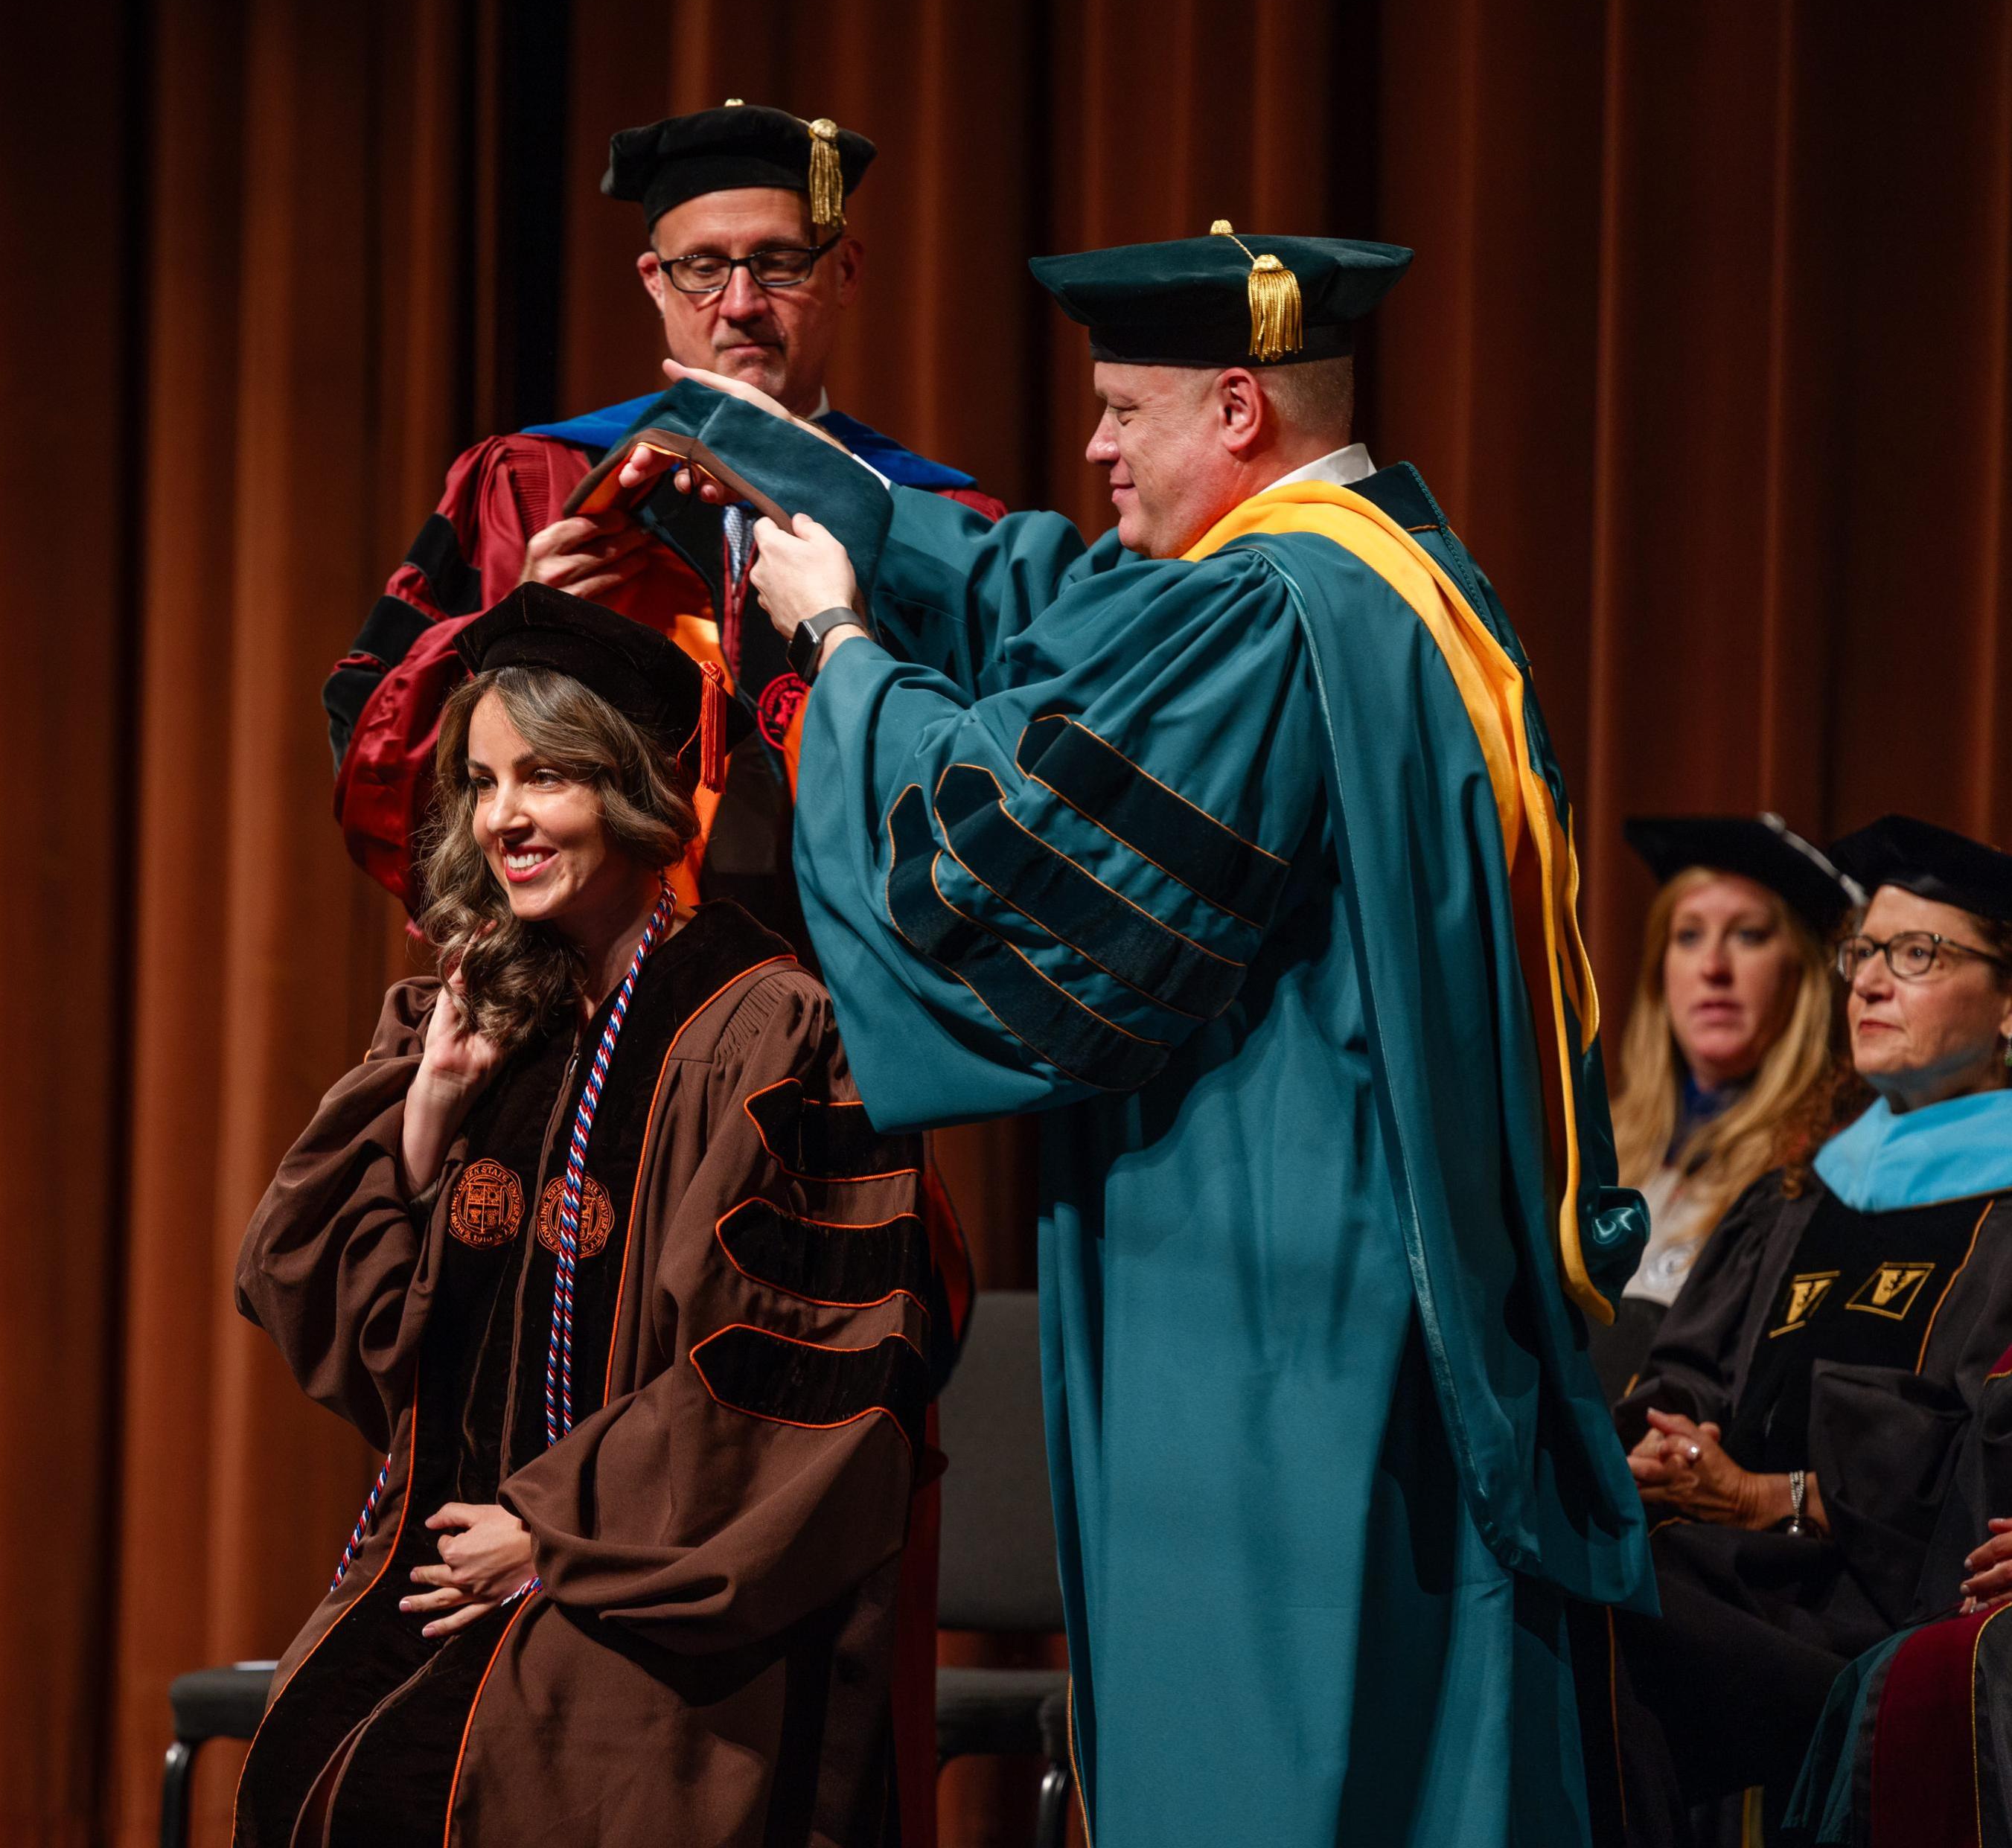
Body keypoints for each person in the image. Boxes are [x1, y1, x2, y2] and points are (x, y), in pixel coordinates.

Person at [598, 224, 1654, 1844]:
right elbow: (1070, 604)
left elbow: (1009, 853)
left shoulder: (1268, 615)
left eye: (1119, 412)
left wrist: (842, 647)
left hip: (1268, 1284)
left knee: (1273, 1752)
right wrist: (801, 475)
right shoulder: (1391, 571)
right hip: (1375, 1271)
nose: (1089, 449)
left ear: (1234, 409)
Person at [236, 585, 966, 1848]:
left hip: (658, 1604)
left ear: (631, 788)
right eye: (478, 782)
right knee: (308, 1767)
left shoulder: (762, 1032)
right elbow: (345, 1331)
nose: (503, 817)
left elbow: (786, 1402)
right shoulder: (474, 1018)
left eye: (546, 778)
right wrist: (422, 1120)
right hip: (436, 1586)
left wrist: (551, 1536)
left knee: (494, 1790)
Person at [325, 101, 1007, 950]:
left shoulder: (935, 523)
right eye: (700, 267)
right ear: (652, 279)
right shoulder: (533, 485)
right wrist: (508, 631)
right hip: (590, 990)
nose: (741, 302)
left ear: (846, 272)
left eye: (780, 262)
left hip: (856, 995)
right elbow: (374, 742)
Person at [1607, 816, 2012, 1848]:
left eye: (1916, 954)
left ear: (2008, 1005)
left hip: (1863, 1607)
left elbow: (1973, 1463)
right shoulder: (1798, 1190)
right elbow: (1686, 1372)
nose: (1869, 983)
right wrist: (1667, 1441)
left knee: (1598, 1615)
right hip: (1733, 1578)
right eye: (1863, 953)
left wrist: (1774, 1498)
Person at [1593, 815, 1864, 1396]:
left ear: (1800, 973)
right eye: (1688, 936)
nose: (1712, 968)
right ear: (1659, 972)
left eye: (1748, 936)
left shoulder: (1820, 1172)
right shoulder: (1597, 1153)